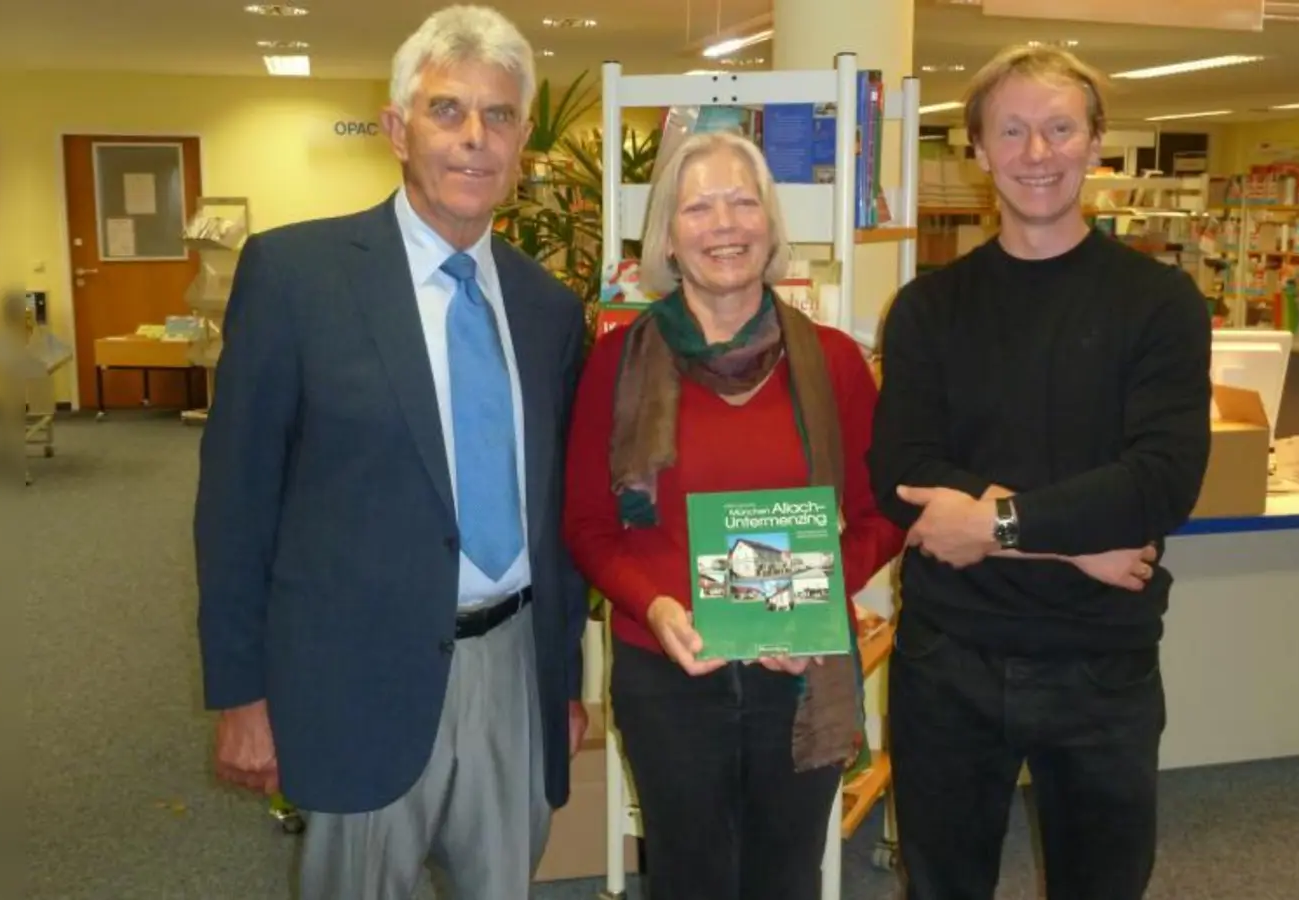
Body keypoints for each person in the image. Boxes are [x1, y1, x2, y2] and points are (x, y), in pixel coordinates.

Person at [193, 6, 590, 898]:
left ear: (524, 140)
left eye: (499, 116)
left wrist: (560, 683)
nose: (473, 139)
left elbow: (556, 515)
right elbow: (236, 502)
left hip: (511, 665)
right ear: (396, 129)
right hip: (354, 673)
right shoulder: (297, 278)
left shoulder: (548, 310)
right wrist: (243, 696)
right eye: (447, 111)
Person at [868, 44, 1213, 900]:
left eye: (1060, 129)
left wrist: (992, 526)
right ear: (978, 150)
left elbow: (1161, 481)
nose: (1036, 153)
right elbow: (905, 476)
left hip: (1102, 666)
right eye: (1012, 130)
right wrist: (1068, 546)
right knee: (942, 885)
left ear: (1096, 144)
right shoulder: (927, 309)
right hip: (951, 660)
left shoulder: (1160, 303)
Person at [562, 130, 906, 900]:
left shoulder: (833, 362)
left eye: (743, 202)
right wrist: (652, 607)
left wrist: (807, 601)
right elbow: (586, 525)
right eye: (700, 207)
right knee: (688, 878)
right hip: (668, 672)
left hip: (799, 675)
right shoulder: (618, 363)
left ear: (771, 226)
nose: (725, 224)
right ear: (669, 238)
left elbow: (881, 513)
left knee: (787, 877)